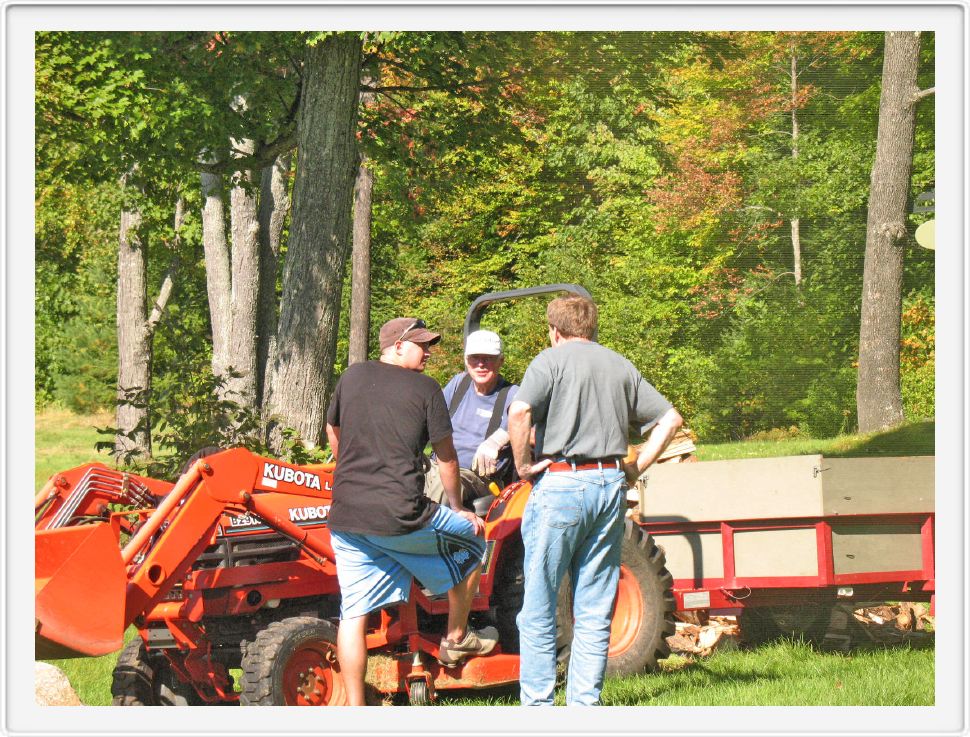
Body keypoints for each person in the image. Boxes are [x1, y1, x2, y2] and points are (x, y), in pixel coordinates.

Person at [507, 295, 682, 706]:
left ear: (554, 330)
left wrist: (523, 466)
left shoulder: (548, 362)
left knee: (539, 603)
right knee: (594, 601)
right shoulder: (620, 365)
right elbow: (670, 419)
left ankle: (538, 706)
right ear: (591, 328)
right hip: (608, 487)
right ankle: (584, 704)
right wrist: (636, 469)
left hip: (562, 484)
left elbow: (518, 414)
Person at [325, 317, 498, 706]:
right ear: (398, 345)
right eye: (422, 344)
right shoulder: (426, 388)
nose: (429, 352)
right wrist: (458, 508)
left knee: (352, 614)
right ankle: (457, 636)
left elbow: (332, 430)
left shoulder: (351, 376)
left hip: (347, 515)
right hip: (401, 514)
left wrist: (349, 469)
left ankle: (356, 710)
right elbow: (447, 459)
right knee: (474, 539)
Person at [424, 329, 519, 505]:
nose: (480, 364)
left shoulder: (512, 395)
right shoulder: (459, 384)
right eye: (475, 358)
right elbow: (431, 417)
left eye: (488, 358)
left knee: (442, 487)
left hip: (476, 477)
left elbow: (524, 423)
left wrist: (496, 441)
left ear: (501, 362)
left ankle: (429, 531)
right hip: (440, 466)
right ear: (467, 361)